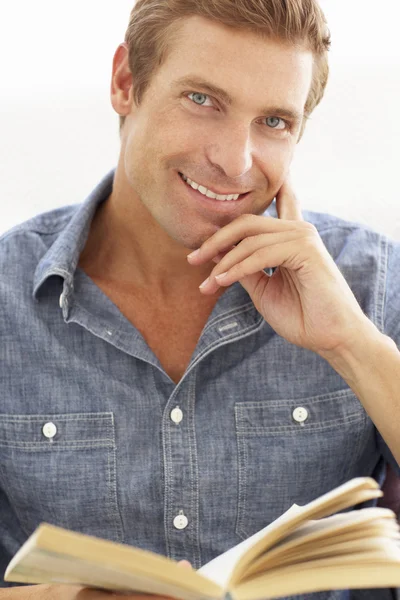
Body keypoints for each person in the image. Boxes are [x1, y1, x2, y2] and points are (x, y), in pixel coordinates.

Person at [0, 0, 399, 599]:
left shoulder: (373, 282)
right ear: (126, 83)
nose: (233, 161)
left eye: (274, 122)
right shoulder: (7, 298)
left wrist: (352, 343)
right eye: (203, 100)